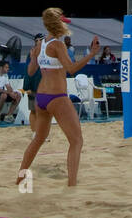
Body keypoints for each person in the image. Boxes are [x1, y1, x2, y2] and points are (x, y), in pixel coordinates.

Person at [18, 10, 100, 187]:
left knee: (38, 139)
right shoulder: (57, 45)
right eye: (64, 22)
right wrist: (92, 54)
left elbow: (31, 71)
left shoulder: (40, 44)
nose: (66, 25)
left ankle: (20, 177)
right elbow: (71, 69)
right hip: (57, 97)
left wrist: (33, 58)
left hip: (41, 98)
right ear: (58, 24)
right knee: (76, 140)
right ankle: (72, 184)